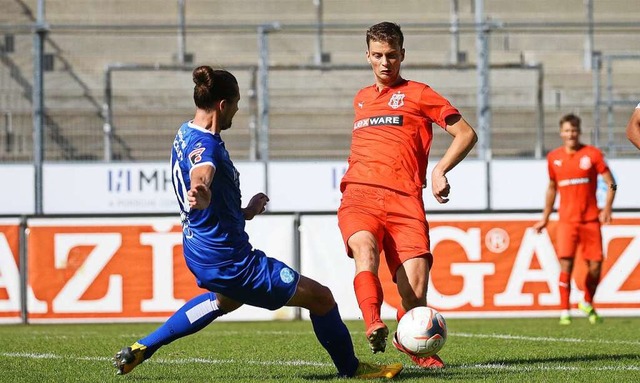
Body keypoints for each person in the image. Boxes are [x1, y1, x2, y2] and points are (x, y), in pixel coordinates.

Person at [112, 66, 403, 380]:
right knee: (321, 298)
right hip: (232, 261)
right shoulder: (207, 145)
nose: (237, 111)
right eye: (236, 104)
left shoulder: (185, 131)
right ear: (223, 105)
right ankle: (353, 369)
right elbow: (202, 170)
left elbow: (207, 182)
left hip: (199, 250)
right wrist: (201, 189)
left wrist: (245, 211)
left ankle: (144, 345)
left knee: (225, 300)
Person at [337, 22, 477, 369]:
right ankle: (373, 324)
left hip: (406, 200)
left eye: (393, 55)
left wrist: (440, 169)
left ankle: (408, 341)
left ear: (402, 55)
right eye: (378, 56)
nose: (386, 62)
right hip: (360, 195)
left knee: (415, 293)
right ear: (368, 56)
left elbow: (465, 134)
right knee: (364, 250)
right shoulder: (360, 98)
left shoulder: (420, 93)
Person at [533, 113, 616, 325]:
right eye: (567, 130)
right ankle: (564, 311)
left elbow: (611, 183)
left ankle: (587, 301)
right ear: (561, 133)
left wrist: (607, 207)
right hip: (567, 221)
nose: (571, 134)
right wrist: (545, 217)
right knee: (566, 265)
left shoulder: (593, 154)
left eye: (574, 130)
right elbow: (552, 188)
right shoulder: (554, 158)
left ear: (579, 132)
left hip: (590, 220)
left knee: (596, 265)